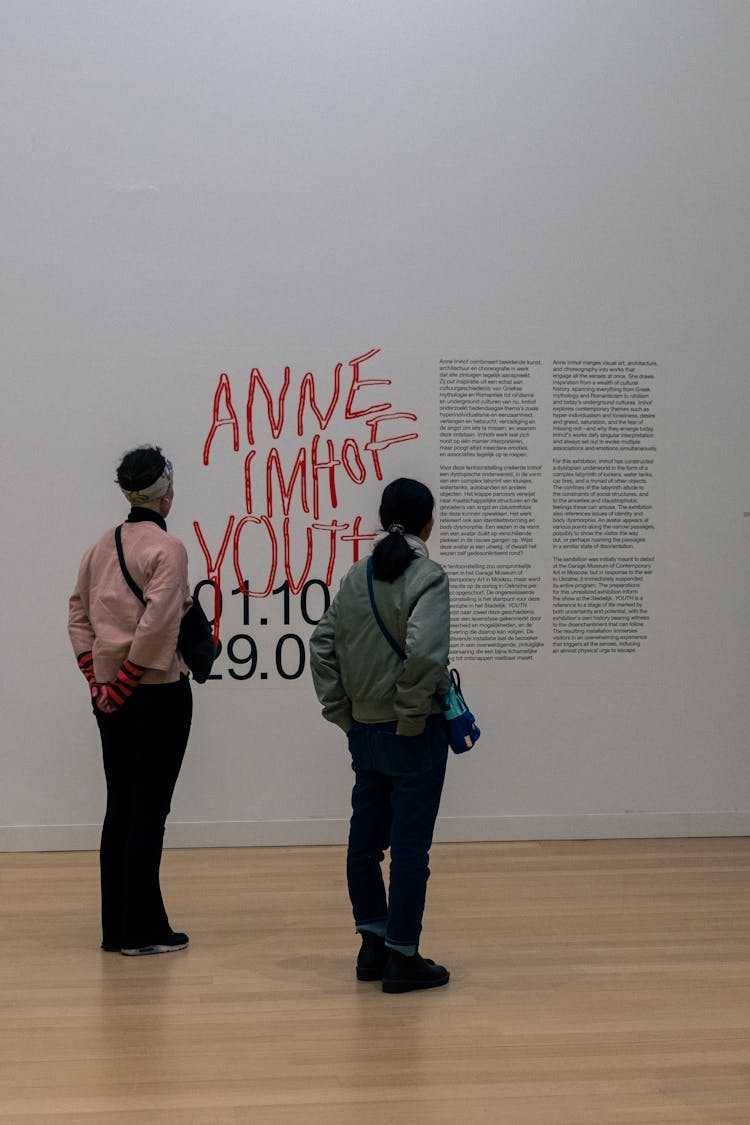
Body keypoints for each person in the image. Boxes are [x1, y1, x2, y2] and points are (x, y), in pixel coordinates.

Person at [309, 478, 452, 993]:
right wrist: (412, 718)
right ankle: (402, 955)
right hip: (413, 733)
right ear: (427, 523)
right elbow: (427, 655)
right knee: (411, 848)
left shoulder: (357, 575)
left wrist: (344, 713)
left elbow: (320, 647)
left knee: (365, 843)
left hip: (365, 733)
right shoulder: (428, 576)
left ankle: (371, 944)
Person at [68, 445, 193, 956]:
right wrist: (124, 683)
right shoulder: (169, 549)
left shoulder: (101, 546)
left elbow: (77, 616)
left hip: (109, 702)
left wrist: (99, 682)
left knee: (119, 807)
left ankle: (117, 929)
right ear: (165, 494)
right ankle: (142, 932)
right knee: (149, 811)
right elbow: (157, 625)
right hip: (157, 696)